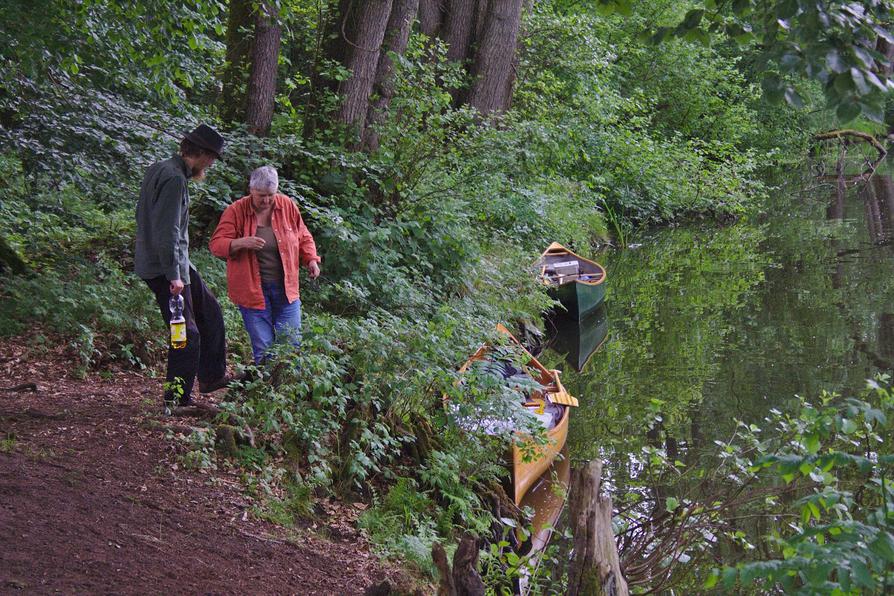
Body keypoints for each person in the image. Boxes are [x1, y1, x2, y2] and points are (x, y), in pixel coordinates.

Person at [135, 124, 237, 406]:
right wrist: (174, 275)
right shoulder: (174, 179)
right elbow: (166, 232)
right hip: (164, 268)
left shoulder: (162, 168)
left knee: (211, 312)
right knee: (186, 334)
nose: (211, 165)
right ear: (202, 155)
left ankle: (212, 377)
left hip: (177, 263)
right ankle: (176, 398)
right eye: (212, 159)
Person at [210, 166, 321, 364]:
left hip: (286, 289)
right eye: (261, 195)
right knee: (264, 348)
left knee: (291, 345)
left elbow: (303, 235)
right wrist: (241, 242)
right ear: (251, 190)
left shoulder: (286, 206)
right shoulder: (236, 211)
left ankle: (286, 391)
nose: (267, 200)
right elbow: (217, 245)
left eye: (271, 195)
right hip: (252, 291)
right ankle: (264, 391)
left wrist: (311, 259)